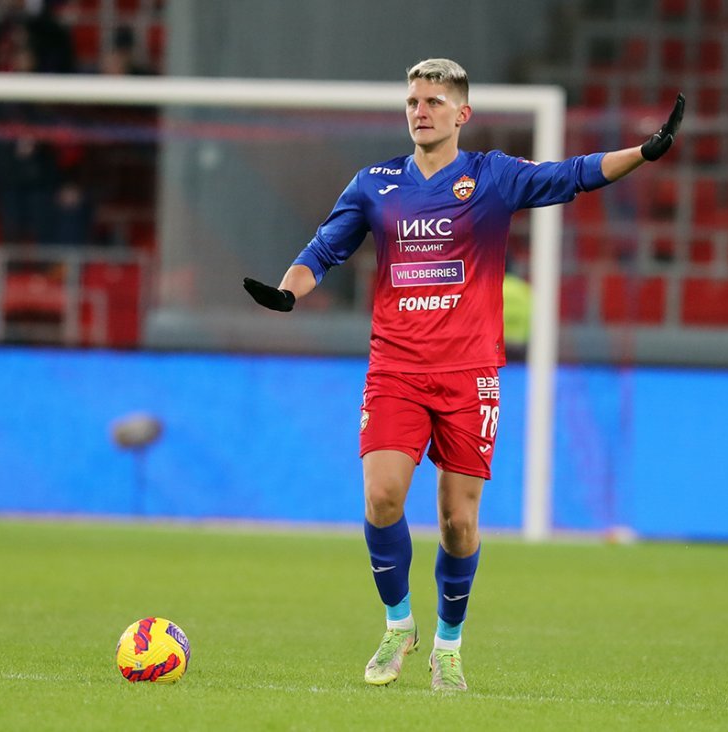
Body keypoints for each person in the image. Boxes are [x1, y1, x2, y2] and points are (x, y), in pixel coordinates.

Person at [243, 58, 683, 692]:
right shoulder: (375, 184)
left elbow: (571, 175)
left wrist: (643, 152)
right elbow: (323, 250)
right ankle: (399, 624)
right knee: (382, 496)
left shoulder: (493, 177)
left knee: (458, 521)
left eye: (434, 102)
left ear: (462, 113)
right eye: (412, 101)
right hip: (395, 368)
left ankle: (448, 645)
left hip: (470, 373)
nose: (420, 111)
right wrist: (289, 292)